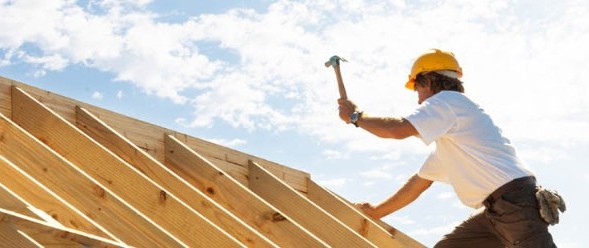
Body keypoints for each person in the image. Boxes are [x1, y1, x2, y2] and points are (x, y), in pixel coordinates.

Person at [337, 49, 564, 247]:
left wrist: (356, 117)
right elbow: (419, 183)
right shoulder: (453, 140)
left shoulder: (447, 102)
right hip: (500, 209)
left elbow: (397, 130)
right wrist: (376, 212)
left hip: (515, 205)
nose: (418, 100)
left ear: (428, 81)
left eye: (417, 88)